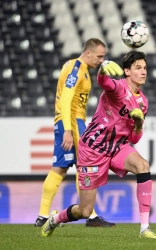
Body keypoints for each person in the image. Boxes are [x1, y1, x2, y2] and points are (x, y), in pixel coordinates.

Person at [41, 50, 156, 239]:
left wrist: (138, 125)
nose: (144, 72)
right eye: (138, 68)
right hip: (92, 150)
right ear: (127, 72)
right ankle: (56, 219)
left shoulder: (143, 102)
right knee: (85, 211)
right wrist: (103, 70)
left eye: (145, 68)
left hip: (117, 148)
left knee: (142, 165)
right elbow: (104, 82)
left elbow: (135, 139)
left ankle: (145, 228)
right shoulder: (118, 88)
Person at [35, 38, 115, 228]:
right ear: (88, 53)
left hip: (72, 122)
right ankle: (91, 216)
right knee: (83, 165)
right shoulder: (76, 69)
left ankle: (43, 216)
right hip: (70, 122)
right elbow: (65, 100)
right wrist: (68, 131)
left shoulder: (82, 69)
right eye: (99, 56)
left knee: (61, 168)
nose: (101, 60)